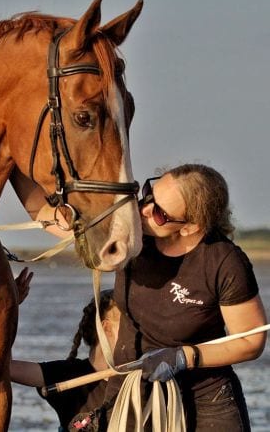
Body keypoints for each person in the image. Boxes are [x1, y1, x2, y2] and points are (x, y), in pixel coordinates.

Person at [105, 163, 267, 431]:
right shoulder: (133, 236)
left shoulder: (224, 262)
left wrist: (183, 357)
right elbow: (69, 224)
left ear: (191, 226)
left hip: (206, 400)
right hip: (131, 393)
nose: (144, 211)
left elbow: (251, 340)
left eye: (159, 213)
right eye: (149, 195)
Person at [10, 270, 121, 432]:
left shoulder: (142, 379)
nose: (139, 332)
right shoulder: (66, 375)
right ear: (106, 328)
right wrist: (9, 307)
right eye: (131, 325)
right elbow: (7, 368)